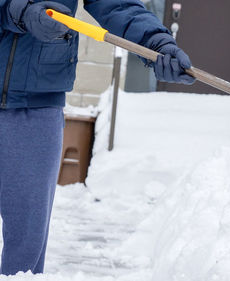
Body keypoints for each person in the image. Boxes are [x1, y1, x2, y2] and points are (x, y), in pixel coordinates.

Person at [0, 0, 194, 275]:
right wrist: (16, 10)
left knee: (26, 244)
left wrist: (156, 43)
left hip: (37, 102)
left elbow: (117, 5)